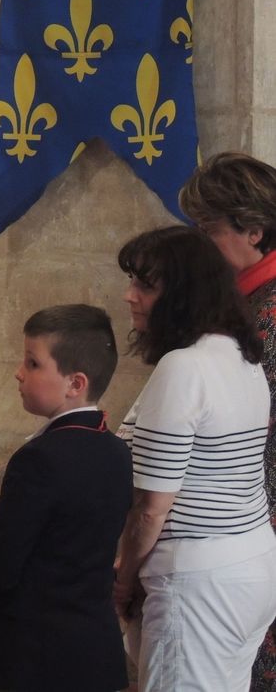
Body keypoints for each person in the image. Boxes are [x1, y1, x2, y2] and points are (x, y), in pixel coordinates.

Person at [113, 225, 276, 691]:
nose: (129, 296)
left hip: (201, 578)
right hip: (250, 562)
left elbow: (152, 507)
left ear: (182, 293)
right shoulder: (240, 354)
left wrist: (125, 578)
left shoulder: (184, 366)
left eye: (145, 285)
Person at [0, 304, 131, 692]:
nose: (19, 372)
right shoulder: (117, 451)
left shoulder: (39, 459)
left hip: (38, 658)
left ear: (75, 383)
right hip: (95, 652)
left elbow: (2, 567)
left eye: (33, 364)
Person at [180, 152, 276, 690]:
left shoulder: (266, 314)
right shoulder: (251, 303)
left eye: (208, 229)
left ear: (254, 231)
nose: (200, 244)